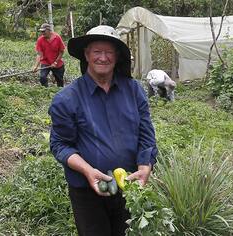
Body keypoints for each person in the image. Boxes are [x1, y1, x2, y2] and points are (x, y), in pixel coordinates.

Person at [48, 25, 158, 236]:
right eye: (97, 51)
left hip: (129, 185)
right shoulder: (67, 99)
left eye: (109, 52)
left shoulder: (133, 90)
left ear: (117, 57)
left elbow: (146, 134)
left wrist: (145, 167)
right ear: (86, 55)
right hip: (86, 192)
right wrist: (88, 171)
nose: (103, 57)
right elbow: (60, 144)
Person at [32, 23, 66, 87]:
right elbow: (39, 54)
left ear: (49, 30)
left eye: (44, 31)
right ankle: (46, 91)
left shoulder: (57, 37)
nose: (42, 33)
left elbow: (62, 51)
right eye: (41, 31)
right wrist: (36, 66)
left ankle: (60, 92)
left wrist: (55, 62)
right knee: (42, 77)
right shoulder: (40, 40)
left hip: (57, 63)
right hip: (46, 62)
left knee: (60, 81)